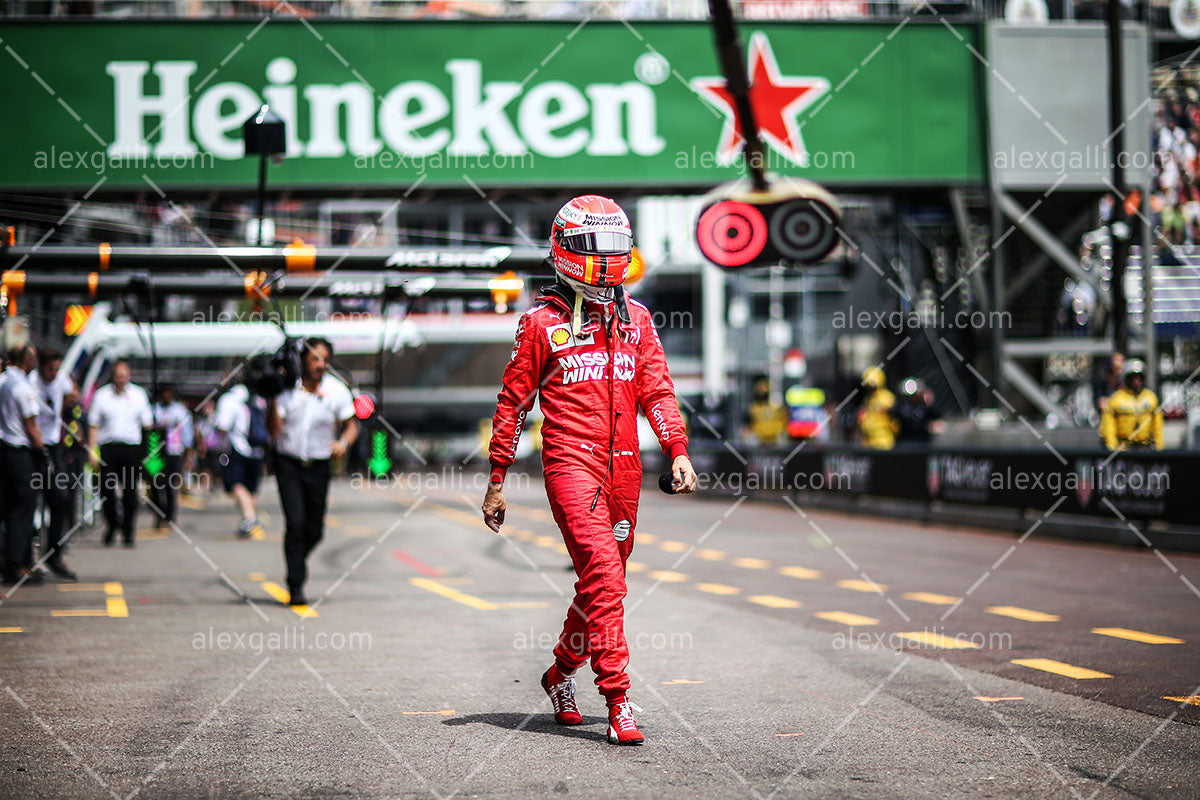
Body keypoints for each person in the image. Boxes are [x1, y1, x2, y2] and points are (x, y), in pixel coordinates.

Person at [481, 195, 697, 746]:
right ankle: (619, 697)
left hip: (626, 467)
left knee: (606, 582)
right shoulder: (539, 321)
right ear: (568, 248)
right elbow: (512, 403)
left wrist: (677, 448)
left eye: (613, 247)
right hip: (569, 463)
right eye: (594, 246)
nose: (605, 258)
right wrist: (497, 480)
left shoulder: (638, 319)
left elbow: (657, 390)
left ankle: (558, 675)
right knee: (604, 575)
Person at [266, 338, 358, 607]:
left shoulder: (336, 390)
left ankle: (296, 557)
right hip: (289, 464)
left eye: (324, 360)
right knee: (295, 524)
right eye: (315, 359)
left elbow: (352, 425)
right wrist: (272, 398)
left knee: (314, 530)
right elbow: (273, 431)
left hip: (319, 466)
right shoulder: (287, 392)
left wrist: (343, 443)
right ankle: (296, 584)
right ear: (303, 362)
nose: (321, 365)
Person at [88, 359, 152, 547]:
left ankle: (128, 530)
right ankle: (112, 524)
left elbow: (147, 425)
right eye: (118, 376)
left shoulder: (139, 395)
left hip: (131, 449)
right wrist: (92, 450)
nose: (121, 379)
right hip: (108, 448)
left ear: (129, 376)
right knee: (106, 490)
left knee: (130, 491)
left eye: (124, 376)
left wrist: (148, 453)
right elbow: (94, 425)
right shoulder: (102, 396)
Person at [29, 347, 78, 581]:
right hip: (32, 447)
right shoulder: (31, 383)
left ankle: (54, 554)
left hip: (54, 447)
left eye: (58, 369)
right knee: (29, 502)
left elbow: (73, 393)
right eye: (50, 369)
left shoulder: (60, 380)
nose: (54, 373)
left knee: (60, 499)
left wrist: (68, 402)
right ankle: (25, 558)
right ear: (40, 366)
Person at [0, 344, 46, 585]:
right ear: (27, 361)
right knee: (22, 510)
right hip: (20, 453)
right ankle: (16, 565)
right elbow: (31, 426)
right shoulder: (22, 387)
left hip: (3, 451)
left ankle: (10, 560)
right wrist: (44, 451)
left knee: (6, 509)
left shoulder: (2, 381)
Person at [216, 381, 267, 538]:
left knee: (235, 485)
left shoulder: (229, 399)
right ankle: (249, 518)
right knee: (250, 490)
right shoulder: (259, 399)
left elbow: (223, 426)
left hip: (238, 449)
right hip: (258, 450)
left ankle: (250, 518)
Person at [149, 384, 194, 531]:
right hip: (155, 453)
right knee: (155, 486)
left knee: (170, 486)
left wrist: (188, 455)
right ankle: (158, 515)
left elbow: (187, 434)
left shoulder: (180, 411)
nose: (166, 396)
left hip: (173, 452)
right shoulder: (153, 410)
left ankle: (170, 517)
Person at [1100, 359, 1164, 451]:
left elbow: (1158, 426)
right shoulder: (1116, 399)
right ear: (1127, 378)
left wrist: (1159, 447)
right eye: (1132, 377)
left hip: (1146, 448)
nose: (1136, 380)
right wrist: (1112, 447)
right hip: (1124, 448)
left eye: (1139, 377)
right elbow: (1109, 426)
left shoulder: (1151, 398)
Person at [893, 377, 945, 446]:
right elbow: (895, 413)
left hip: (922, 442)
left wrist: (929, 402)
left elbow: (937, 415)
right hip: (904, 441)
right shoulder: (903, 405)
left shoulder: (925, 406)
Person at [857, 366, 897, 450]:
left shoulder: (886, 397)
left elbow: (894, 418)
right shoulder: (868, 399)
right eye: (868, 386)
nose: (870, 389)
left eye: (872, 386)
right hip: (868, 440)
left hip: (883, 440)